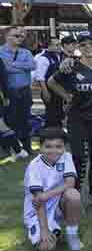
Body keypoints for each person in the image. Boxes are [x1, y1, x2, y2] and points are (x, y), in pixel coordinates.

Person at [47, 31, 92, 207]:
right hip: (78, 118)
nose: (88, 47)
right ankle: (73, 194)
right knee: (78, 156)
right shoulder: (71, 67)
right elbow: (51, 82)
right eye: (83, 45)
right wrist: (66, 97)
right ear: (78, 47)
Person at [23, 127, 83, 251]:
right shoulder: (34, 167)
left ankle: (72, 235)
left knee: (73, 195)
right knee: (46, 247)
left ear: (64, 147)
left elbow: (70, 183)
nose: (54, 151)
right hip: (37, 209)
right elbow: (38, 200)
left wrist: (47, 195)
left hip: (57, 203)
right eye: (48, 146)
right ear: (40, 148)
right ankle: (52, 229)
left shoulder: (66, 157)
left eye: (58, 146)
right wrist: (44, 230)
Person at [1, 26, 36, 157]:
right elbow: (4, 70)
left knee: (25, 120)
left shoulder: (25, 52)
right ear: (7, 37)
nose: (19, 38)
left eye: (21, 36)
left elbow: (33, 66)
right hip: (8, 92)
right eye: (16, 36)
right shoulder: (0, 52)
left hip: (25, 91)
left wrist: (14, 65)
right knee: (9, 121)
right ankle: (7, 148)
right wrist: (22, 67)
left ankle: (27, 147)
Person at [33, 35, 67, 129]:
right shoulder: (43, 58)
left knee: (58, 112)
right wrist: (45, 92)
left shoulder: (59, 56)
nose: (59, 47)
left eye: (59, 44)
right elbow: (40, 77)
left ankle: (58, 131)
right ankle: (50, 132)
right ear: (49, 46)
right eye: (56, 45)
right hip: (49, 89)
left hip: (58, 89)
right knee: (52, 113)